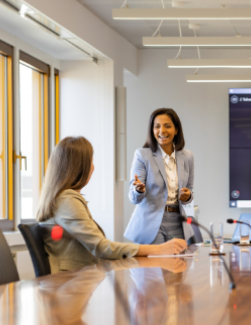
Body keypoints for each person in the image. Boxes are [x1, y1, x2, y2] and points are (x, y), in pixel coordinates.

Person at [37, 136, 187, 273]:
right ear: (79, 167)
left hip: (77, 280)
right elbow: (101, 247)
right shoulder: (68, 200)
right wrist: (158, 249)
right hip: (71, 283)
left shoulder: (63, 198)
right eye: (91, 161)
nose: (93, 167)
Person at [125, 108, 195, 245]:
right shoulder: (142, 155)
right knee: (155, 265)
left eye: (167, 126)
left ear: (176, 130)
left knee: (177, 264)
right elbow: (133, 197)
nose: (162, 131)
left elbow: (190, 190)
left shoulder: (187, 156)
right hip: (151, 222)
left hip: (178, 221)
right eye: (157, 126)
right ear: (152, 130)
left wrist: (188, 196)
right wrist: (138, 190)